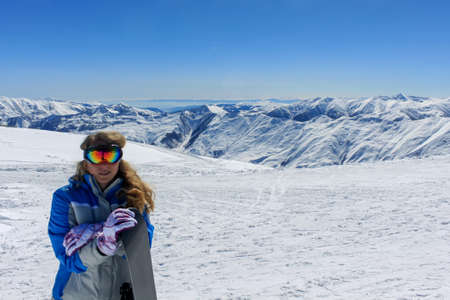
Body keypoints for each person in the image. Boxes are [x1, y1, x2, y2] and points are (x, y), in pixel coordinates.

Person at [48, 131, 155, 300]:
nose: (104, 165)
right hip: (76, 294)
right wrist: (102, 245)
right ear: (86, 162)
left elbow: (141, 246)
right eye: (96, 157)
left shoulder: (133, 196)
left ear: (119, 160)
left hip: (121, 292)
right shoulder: (66, 198)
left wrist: (103, 237)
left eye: (111, 156)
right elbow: (67, 258)